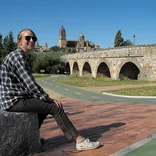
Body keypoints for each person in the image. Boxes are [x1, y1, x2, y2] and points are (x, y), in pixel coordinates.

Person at [0, 29, 100, 151]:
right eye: (27, 38)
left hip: (15, 97)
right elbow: (30, 85)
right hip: (13, 100)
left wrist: (43, 99)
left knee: (44, 107)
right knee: (54, 107)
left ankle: (32, 137)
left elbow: (27, 85)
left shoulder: (21, 56)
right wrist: (48, 98)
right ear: (19, 42)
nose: (31, 40)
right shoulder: (18, 57)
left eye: (34, 38)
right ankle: (79, 141)